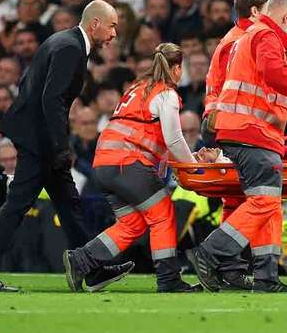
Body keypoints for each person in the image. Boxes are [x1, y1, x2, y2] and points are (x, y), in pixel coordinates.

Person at [0, 0, 132, 292]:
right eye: (112, 26)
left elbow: (36, 87)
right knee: (18, 204)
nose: (115, 34)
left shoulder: (63, 40)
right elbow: (51, 99)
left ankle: (91, 268)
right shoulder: (71, 47)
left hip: (38, 136)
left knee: (69, 205)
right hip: (40, 140)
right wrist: (60, 146)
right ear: (95, 23)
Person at [186, 0, 287, 293]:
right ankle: (211, 252)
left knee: (267, 205)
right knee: (264, 202)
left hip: (254, 133)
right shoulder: (264, 36)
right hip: (251, 132)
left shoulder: (249, 38)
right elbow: (272, 73)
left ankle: (266, 277)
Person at [63, 43, 202, 293]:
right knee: (163, 214)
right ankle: (169, 279)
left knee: (132, 224)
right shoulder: (166, 93)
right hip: (129, 165)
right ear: (178, 68)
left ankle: (82, 260)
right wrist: (192, 166)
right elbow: (173, 139)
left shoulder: (136, 89)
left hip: (105, 164)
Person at [201, 0, 272, 290]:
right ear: (256, 12)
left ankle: (230, 268)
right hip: (233, 122)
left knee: (236, 197)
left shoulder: (235, 38)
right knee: (260, 197)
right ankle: (216, 255)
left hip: (222, 120)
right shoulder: (243, 41)